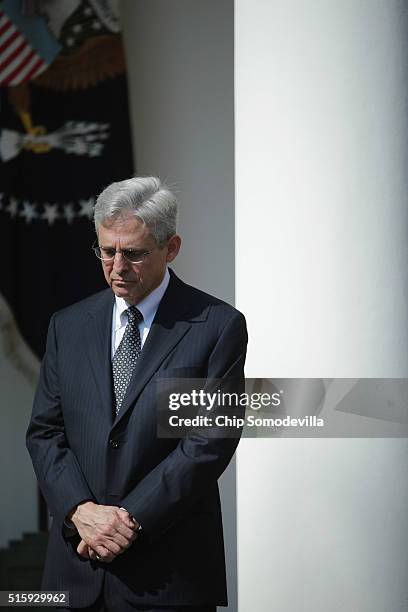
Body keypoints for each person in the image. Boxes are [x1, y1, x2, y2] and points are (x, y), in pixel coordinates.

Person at [26, 176, 248, 612]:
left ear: (172, 248)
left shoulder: (218, 326)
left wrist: (128, 522)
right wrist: (79, 511)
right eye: (106, 251)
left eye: (134, 253)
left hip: (167, 575)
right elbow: (45, 433)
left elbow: (208, 443)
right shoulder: (66, 326)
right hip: (75, 570)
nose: (117, 267)